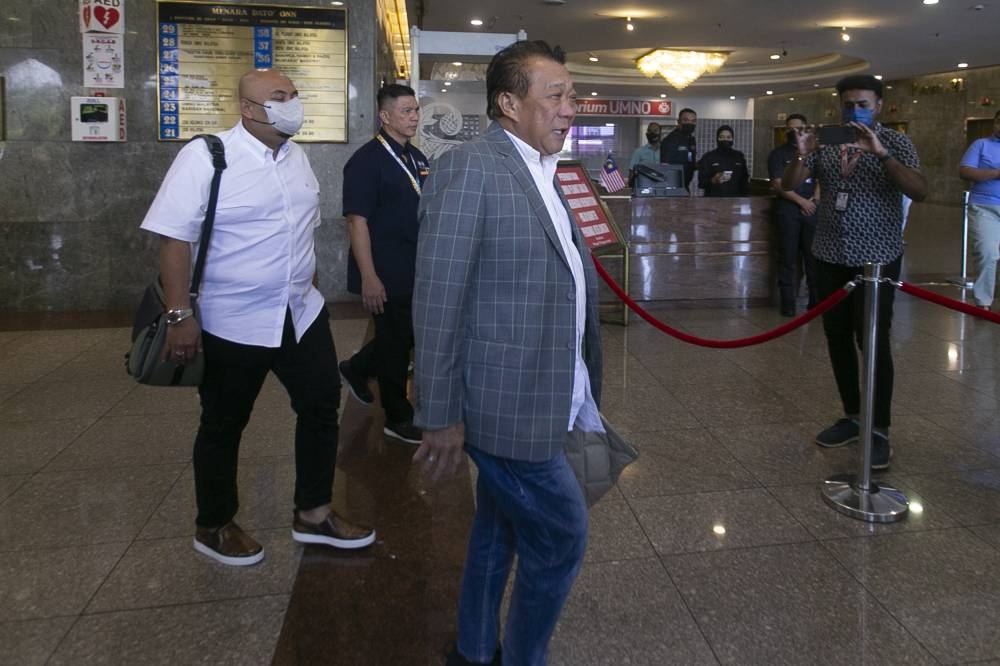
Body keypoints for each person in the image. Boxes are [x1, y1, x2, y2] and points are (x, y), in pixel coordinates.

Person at [412, 40, 603, 665]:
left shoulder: (551, 173)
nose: (570, 108)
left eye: (571, 96)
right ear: (508, 103)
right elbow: (439, 296)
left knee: (498, 532)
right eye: (556, 96)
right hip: (505, 402)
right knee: (561, 535)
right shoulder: (472, 167)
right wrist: (438, 412)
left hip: (550, 389)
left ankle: (473, 649)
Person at [141, 68, 375, 566]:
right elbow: (173, 237)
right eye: (278, 97)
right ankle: (214, 523)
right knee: (225, 422)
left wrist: (307, 278)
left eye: (293, 95)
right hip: (232, 317)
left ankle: (313, 513)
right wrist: (180, 314)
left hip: (298, 313)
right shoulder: (206, 156)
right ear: (248, 109)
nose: (292, 104)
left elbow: (301, 229)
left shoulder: (298, 157)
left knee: (318, 404)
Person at [782, 74, 926, 471]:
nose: (855, 110)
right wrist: (801, 154)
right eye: (849, 104)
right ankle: (853, 416)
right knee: (837, 338)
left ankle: (878, 429)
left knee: (874, 341)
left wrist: (881, 153)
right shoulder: (827, 144)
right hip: (829, 254)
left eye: (863, 103)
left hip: (876, 259)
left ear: (879, 105)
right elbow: (789, 184)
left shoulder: (895, 143)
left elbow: (919, 190)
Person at [338, 84, 428, 444]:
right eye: (406, 111)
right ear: (385, 115)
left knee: (403, 336)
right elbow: (356, 221)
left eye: (416, 110)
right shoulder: (366, 161)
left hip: (412, 266)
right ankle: (397, 416)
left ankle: (356, 368)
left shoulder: (415, 157)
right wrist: (369, 276)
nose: (414, 117)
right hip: (385, 269)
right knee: (393, 343)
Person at [768, 114, 820, 315]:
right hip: (788, 210)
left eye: (799, 129)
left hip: (812, 211)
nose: (795, 132)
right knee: (787, 258)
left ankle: (815, 302)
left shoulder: (814, 153)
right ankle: (788, 303)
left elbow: (821, 179)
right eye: (791, 129)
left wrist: (814, 200)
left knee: (813, 258)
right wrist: (801, 201)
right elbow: (779, 185)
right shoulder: (778, 154)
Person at [959, 109, 1000, 310]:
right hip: (985, 206)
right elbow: (965, 171)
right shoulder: (981, 145)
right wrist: (996, 173)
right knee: (987, 253)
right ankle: (983, 302)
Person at [698, 124, 749, 197]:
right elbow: (701, 183)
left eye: (728, 137)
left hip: (735, 201)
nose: (725, 140)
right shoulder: (708, 157)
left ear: (732, 139)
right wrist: (714, 179)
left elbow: (745, 179)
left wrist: (745, 199)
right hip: (713, 201)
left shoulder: (739, 156)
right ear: (717, 139)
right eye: (721, 137)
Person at [659, 107, 698, 190]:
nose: (689, 123)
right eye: (686, 120)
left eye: (693, 121)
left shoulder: (691, 140)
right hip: (672, 187)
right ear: (679, 122)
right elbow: (665, 166)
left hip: (685, 186)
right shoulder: (670, 140)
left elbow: (689, 159)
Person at [627, 121, 662, 186]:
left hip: (661, 187)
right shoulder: (638, 152)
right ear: (646, 133)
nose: (652, 133)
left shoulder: (665, 151)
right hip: (643, 187)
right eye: (650, 131)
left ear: (660, 133)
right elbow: (631, 173)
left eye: (655, 131)